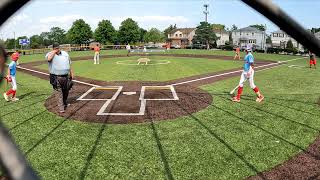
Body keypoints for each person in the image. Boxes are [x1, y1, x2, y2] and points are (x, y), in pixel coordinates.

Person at [45, 43, 74, 113]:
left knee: (66, 91)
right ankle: (61, 108)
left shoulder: (65, 54)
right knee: (58, 92)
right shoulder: (49, 54)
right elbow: (49, 59)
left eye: (58, 48)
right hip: (55, 77)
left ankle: (64, 102)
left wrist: (71, 73)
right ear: (53, 48)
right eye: (55, 48)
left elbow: (69, 63)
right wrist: (54, 52)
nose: (57, 49)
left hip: (66, 76)